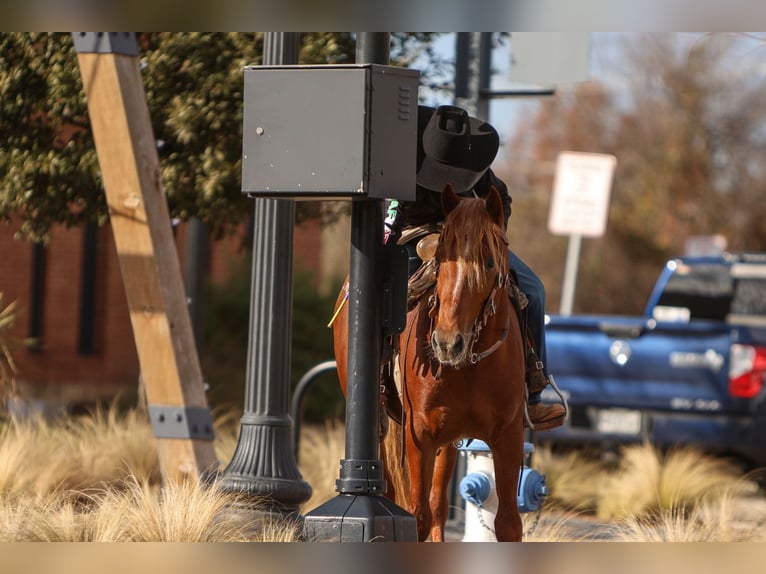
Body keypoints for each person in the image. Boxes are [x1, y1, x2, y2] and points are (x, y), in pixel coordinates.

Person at [384, 104, 567, 431]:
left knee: (534, 290)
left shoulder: (474, 161)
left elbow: (502, 200)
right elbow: (390, 220)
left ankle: (535, 387)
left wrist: (491, 237)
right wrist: (393, 245)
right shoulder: (402, 160)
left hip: (471, 236)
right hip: (415, 234)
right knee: (384, 290)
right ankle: (378, 381)